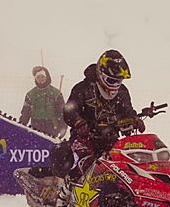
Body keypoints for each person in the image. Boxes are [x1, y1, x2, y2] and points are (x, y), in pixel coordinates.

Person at [59, 49, 143, 182]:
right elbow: (69, 111)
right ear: (100, 74)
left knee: (126, 166)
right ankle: (64, 194)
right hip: (84, 138)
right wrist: (78, 122)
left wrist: (134, 119)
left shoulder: (122, 91)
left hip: (111, 139)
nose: (116, 85)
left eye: (119, 81)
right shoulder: (82, 88)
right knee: (85, 164)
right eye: (112, 80)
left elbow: (127, 110)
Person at [18, 66, 68, 138]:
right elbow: (25, 113)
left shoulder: (56, 93)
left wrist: (63, 127)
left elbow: (62, 112)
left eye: (42, 77)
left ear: (47, 77)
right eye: (38, 77)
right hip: (36, 127)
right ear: (35, 78)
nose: (40, 79)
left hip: (52, 127)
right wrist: (21, 126)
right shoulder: (30, 94)